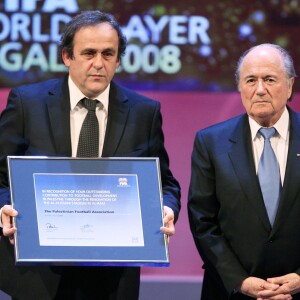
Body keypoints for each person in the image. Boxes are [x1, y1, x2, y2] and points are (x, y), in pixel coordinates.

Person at [0, 10, 181, 300]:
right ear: (67, 57)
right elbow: (0, 176)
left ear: (119, 59)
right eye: (88, 53)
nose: (99, 63)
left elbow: (165, 183)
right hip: (40, 275)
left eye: (108, 54)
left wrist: (165, 207)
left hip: (112, 275)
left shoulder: (144, 112)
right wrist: (3, 208)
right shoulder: (26, 104)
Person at [188, 43, 300, 299]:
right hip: (232, 292)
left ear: (290, 85)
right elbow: (203, 222)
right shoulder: (210, 142)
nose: (259, 90)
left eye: (269, 79)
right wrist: (241, 281)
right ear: (240, 87)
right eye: (250, 80)